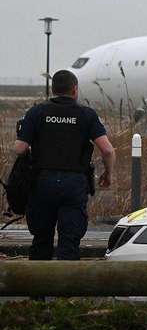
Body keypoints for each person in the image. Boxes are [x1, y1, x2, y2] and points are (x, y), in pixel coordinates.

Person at [13, 70, 115, 260]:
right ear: (74, 89)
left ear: (53, 89)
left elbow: (20, 148)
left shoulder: (37, 112)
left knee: (41, 239)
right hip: (74, 184)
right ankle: (66, 287)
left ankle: (37, 286)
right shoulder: (87, 114)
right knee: (69, 241)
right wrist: (108, 174)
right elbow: (108, 150)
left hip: (42, 182)